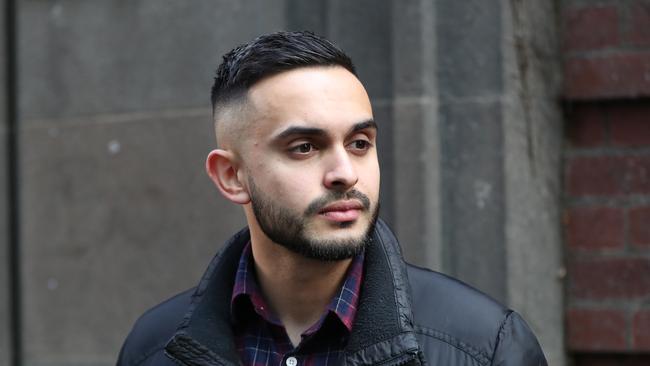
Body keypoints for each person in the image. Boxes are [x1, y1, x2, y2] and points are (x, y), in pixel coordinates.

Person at [117, 31, 547, 366]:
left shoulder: (486, 346)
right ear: (232, 176)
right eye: (304, 147)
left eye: (360, 143)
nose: (345, 173)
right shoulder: (154, 349)